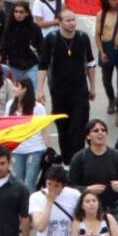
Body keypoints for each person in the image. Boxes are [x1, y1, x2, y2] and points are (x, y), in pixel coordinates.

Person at [38, 10, 96, 161]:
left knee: (78, 128)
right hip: (59, 92)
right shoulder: (51, 39)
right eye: (68, 20)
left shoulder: (82, 38)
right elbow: (43, 66)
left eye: (73, 20)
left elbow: (90, 63)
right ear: (59, 22)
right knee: (63, 128)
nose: (72, 23)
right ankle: (67, 160)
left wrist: (93, 87)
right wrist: (40, 90)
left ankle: (78, 161)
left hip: (80, 91)